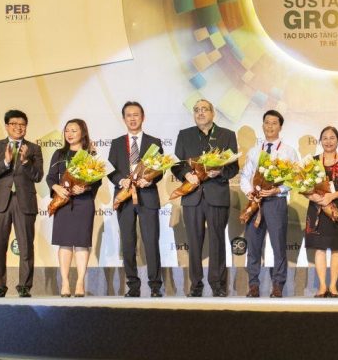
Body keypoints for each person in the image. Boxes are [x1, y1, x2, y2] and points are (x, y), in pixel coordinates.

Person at [172, 99, 239, 297]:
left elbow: (234, 167)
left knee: (217, 240)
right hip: (192, 196)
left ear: (213, 113)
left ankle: (218, 285)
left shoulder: (227, 135)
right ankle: (196, 285)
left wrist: (220, 172)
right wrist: (186, 174)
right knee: (194, 241)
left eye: (204, 110)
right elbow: (177, 164)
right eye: (196, 110)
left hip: (216, 195)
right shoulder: (185, 135)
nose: (200, 113)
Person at [0, 109, 44, 298]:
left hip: (24, 201)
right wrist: (6, 162)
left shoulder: (34, 149)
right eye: (15, 124)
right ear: (7, 126)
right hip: (0, 202)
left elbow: (38, 176)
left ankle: (24, 286)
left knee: (26, 246)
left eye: (22, 125)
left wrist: (25, 162)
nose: (19, 128)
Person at [239, 110, 299, 298]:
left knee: (278, 245)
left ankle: (278, 285)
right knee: (254, 245)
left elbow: (295, 178)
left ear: (280, 126)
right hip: (255, 202)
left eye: (274, 123)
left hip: (276, 202)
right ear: (262, 125)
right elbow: (245, 176)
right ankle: (253, 285)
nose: (270, 126)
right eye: (267, 122)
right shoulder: (255, 151)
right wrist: (250, 192)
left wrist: (277, 190)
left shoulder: (288, 151)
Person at [108, 101, 164, 298]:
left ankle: (155, 285)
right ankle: (133, 285)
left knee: (151, 242)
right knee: (128, 242)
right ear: (124, 119)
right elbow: (110, 170)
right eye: (128, 115)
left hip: (147, 197)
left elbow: (160, 170)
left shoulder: (154, 142)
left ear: (143, 117)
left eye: (136, 115)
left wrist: (150, 180)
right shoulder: (116, 143)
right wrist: (120, 180)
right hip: (124, 198)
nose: (132, 118)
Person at [47, 119, 102, 297]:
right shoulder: (59, 154)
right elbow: (50, 178)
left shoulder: (90, 154)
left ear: (82, 133)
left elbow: (97, 180)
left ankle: (79, 283)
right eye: (67, 130)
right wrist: (57, 188)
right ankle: (65, 283)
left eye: (74, 130)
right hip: (63, 202)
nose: (69, 134)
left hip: (83, 202)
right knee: (64, 243)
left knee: (81, 243)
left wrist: (85, 187)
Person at [304, 126, 338, 298]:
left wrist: (331, 196)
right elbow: (304, 186)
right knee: (319, 248)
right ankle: (322, 287)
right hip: (318, 208)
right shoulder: (313, 161)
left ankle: (333, 287)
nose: (328, 141)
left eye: (332, 138)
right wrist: (313, 197)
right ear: (320, 141)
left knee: (336, 248)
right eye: (325, 138)